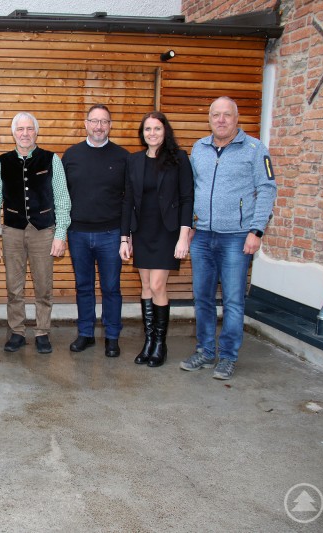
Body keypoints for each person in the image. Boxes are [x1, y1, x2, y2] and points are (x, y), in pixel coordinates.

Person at [180, 96, 277, 380]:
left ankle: (228, 356)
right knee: (203, 298)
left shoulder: (255, 149)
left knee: (233, 300)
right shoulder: (199, 148)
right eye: (215, 115)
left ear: (237, 118)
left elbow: (267, 189)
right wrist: (191, 224)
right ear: (209, 119)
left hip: (237, 237)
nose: (221, 120)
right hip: (203, 235)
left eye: (227, 115)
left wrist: (256, 230)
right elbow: (191, 190)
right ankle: (206, 351)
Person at [0, 112, 71, 355]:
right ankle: (17, 332)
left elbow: (63, 200)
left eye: (29, 129)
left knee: (44, 285)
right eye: (20, 129)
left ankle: (43, 332)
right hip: (12, 230)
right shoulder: (2, 161)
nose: (25, 133)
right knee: (14, 287)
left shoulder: (51, 159)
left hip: (44, 231)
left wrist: (60, 233)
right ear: (14, 133)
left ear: (36, 132)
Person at [120, 111, 193, 367]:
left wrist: (184, 237)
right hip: (142, 231)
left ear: (165, 131)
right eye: (148, 129)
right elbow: (128, 200)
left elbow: (187, 198)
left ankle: (160, 344)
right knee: (146, 287)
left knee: (158, 285)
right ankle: (148, 341)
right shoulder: (134, 160)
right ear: (143, 133)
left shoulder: (178, 158)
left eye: (157, 129)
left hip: (167, 232)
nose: (152, 133)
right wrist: (124, 237)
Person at [61, 104, 129, 357]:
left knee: (111, 287)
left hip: (111, 234)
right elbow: (61, 195)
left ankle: (112, 336)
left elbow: (128, 199)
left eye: (104, 122)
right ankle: (86, 334)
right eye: (94, 121)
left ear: (110, 125)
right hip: (78, 233)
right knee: (84, 286)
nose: (99, 126)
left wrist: (126, 235)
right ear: (86, 124)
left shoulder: (123, 157)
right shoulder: (71, 155)